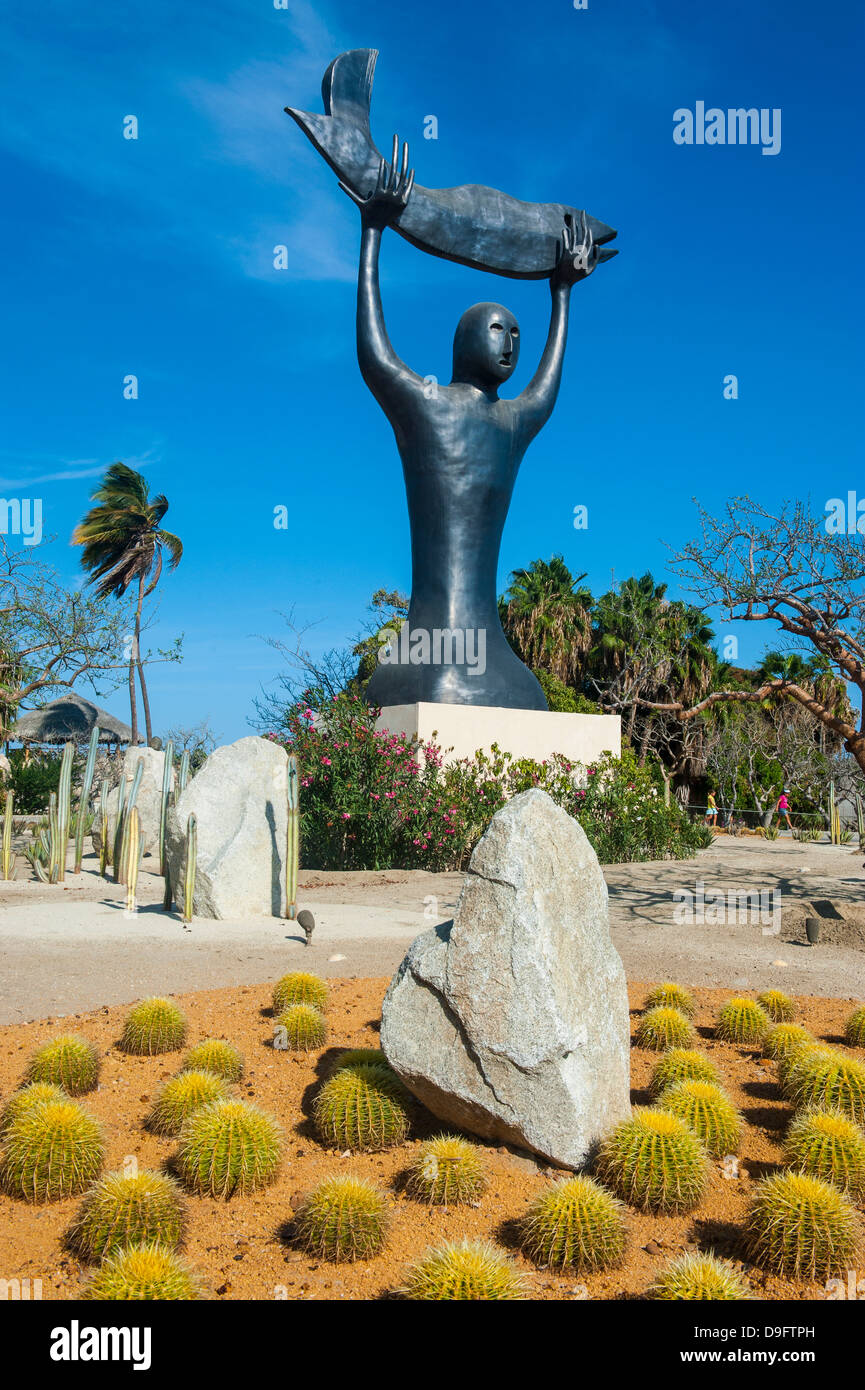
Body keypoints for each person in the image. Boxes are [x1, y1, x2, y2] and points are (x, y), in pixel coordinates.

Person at [340, 137, 602, 710]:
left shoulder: (511, 422)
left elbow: (545, 387)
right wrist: (372, 233)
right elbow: (374, 351)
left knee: (522, 697)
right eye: (496, 329)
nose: (509, 341)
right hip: (427, 652)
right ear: (463, 341)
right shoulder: (425, 404)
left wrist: (561, 295)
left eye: (515, 332)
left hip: (493, 657)